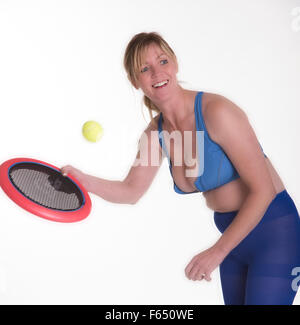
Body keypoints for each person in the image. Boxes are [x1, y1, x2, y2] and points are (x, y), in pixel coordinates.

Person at [61, 32, 300, 305]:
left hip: (275, 234)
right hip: (233, 240)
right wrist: (82, 180)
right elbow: (130, 191)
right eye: (144, 68)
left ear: (174, 63)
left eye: (162, 61)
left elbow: (264, 190)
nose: (157, 73)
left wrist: (217, 252)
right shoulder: (155, 135)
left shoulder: (217, 111)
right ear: (134, 80)